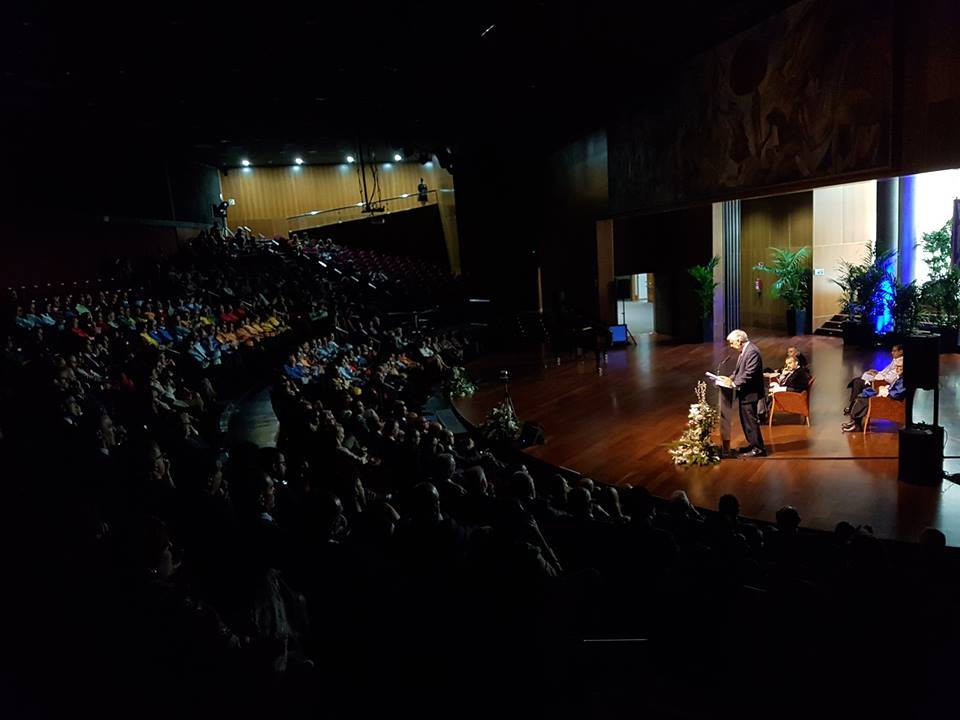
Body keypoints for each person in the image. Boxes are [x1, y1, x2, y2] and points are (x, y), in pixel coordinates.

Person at [724, 329, 766, 457]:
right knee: (746, 421)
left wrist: (734, 384)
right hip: (745, 392)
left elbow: (749, 373)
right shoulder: (746, 350)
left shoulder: (752, 352)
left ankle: (758, 449)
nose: (731, 345)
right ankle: (752, 444)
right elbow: (739, 371)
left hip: (751, 392)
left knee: (750, 421)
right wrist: (730, 378)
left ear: (739, 340)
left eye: (732, 343)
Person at [842, 357, 904, 432]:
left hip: (890, 401)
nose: (897, 369)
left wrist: (885, 391)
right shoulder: (900, 377)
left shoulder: (903, 380)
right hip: (886, 395)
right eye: (896, 366)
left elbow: (895, 394)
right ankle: (856, 423)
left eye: (899, 367)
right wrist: (886, 388)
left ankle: (856, 425)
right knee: (862, 396)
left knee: (862, 399)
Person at [844, 344, 902, 414]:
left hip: (881, 383)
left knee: (857, 382)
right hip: (881, 379)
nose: (892, 353)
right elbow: (886, 371)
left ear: (901, 351)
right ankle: (852, 407)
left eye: (894, 351)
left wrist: (877, 375)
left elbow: (890, 378)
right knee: (858, 380)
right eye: (892, 351)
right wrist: (877, 372)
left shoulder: (900, 364)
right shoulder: (895, 360)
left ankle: (852, 408)